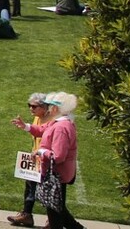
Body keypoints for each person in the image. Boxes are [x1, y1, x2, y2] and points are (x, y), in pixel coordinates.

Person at [31, 92, 83, 229]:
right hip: (57, 173)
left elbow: (58, 156)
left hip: (56, 174)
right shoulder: (60, 123)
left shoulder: (61, 127)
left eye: (49, 106)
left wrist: (40, 151)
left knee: (55, 213)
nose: (47, 109)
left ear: (55, 108)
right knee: (58, 208)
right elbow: (42, 130)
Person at [8, 93, 50, 227]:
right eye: (29, 106)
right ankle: (26, 215)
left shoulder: (51, 120)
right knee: (30, 186)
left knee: (48, 192)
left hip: (48, 161)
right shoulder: (37, 118)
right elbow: (37, 133)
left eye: (34, 106)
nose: (31, 109)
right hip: (36, 158)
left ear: (44, 107)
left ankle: (52, 220)